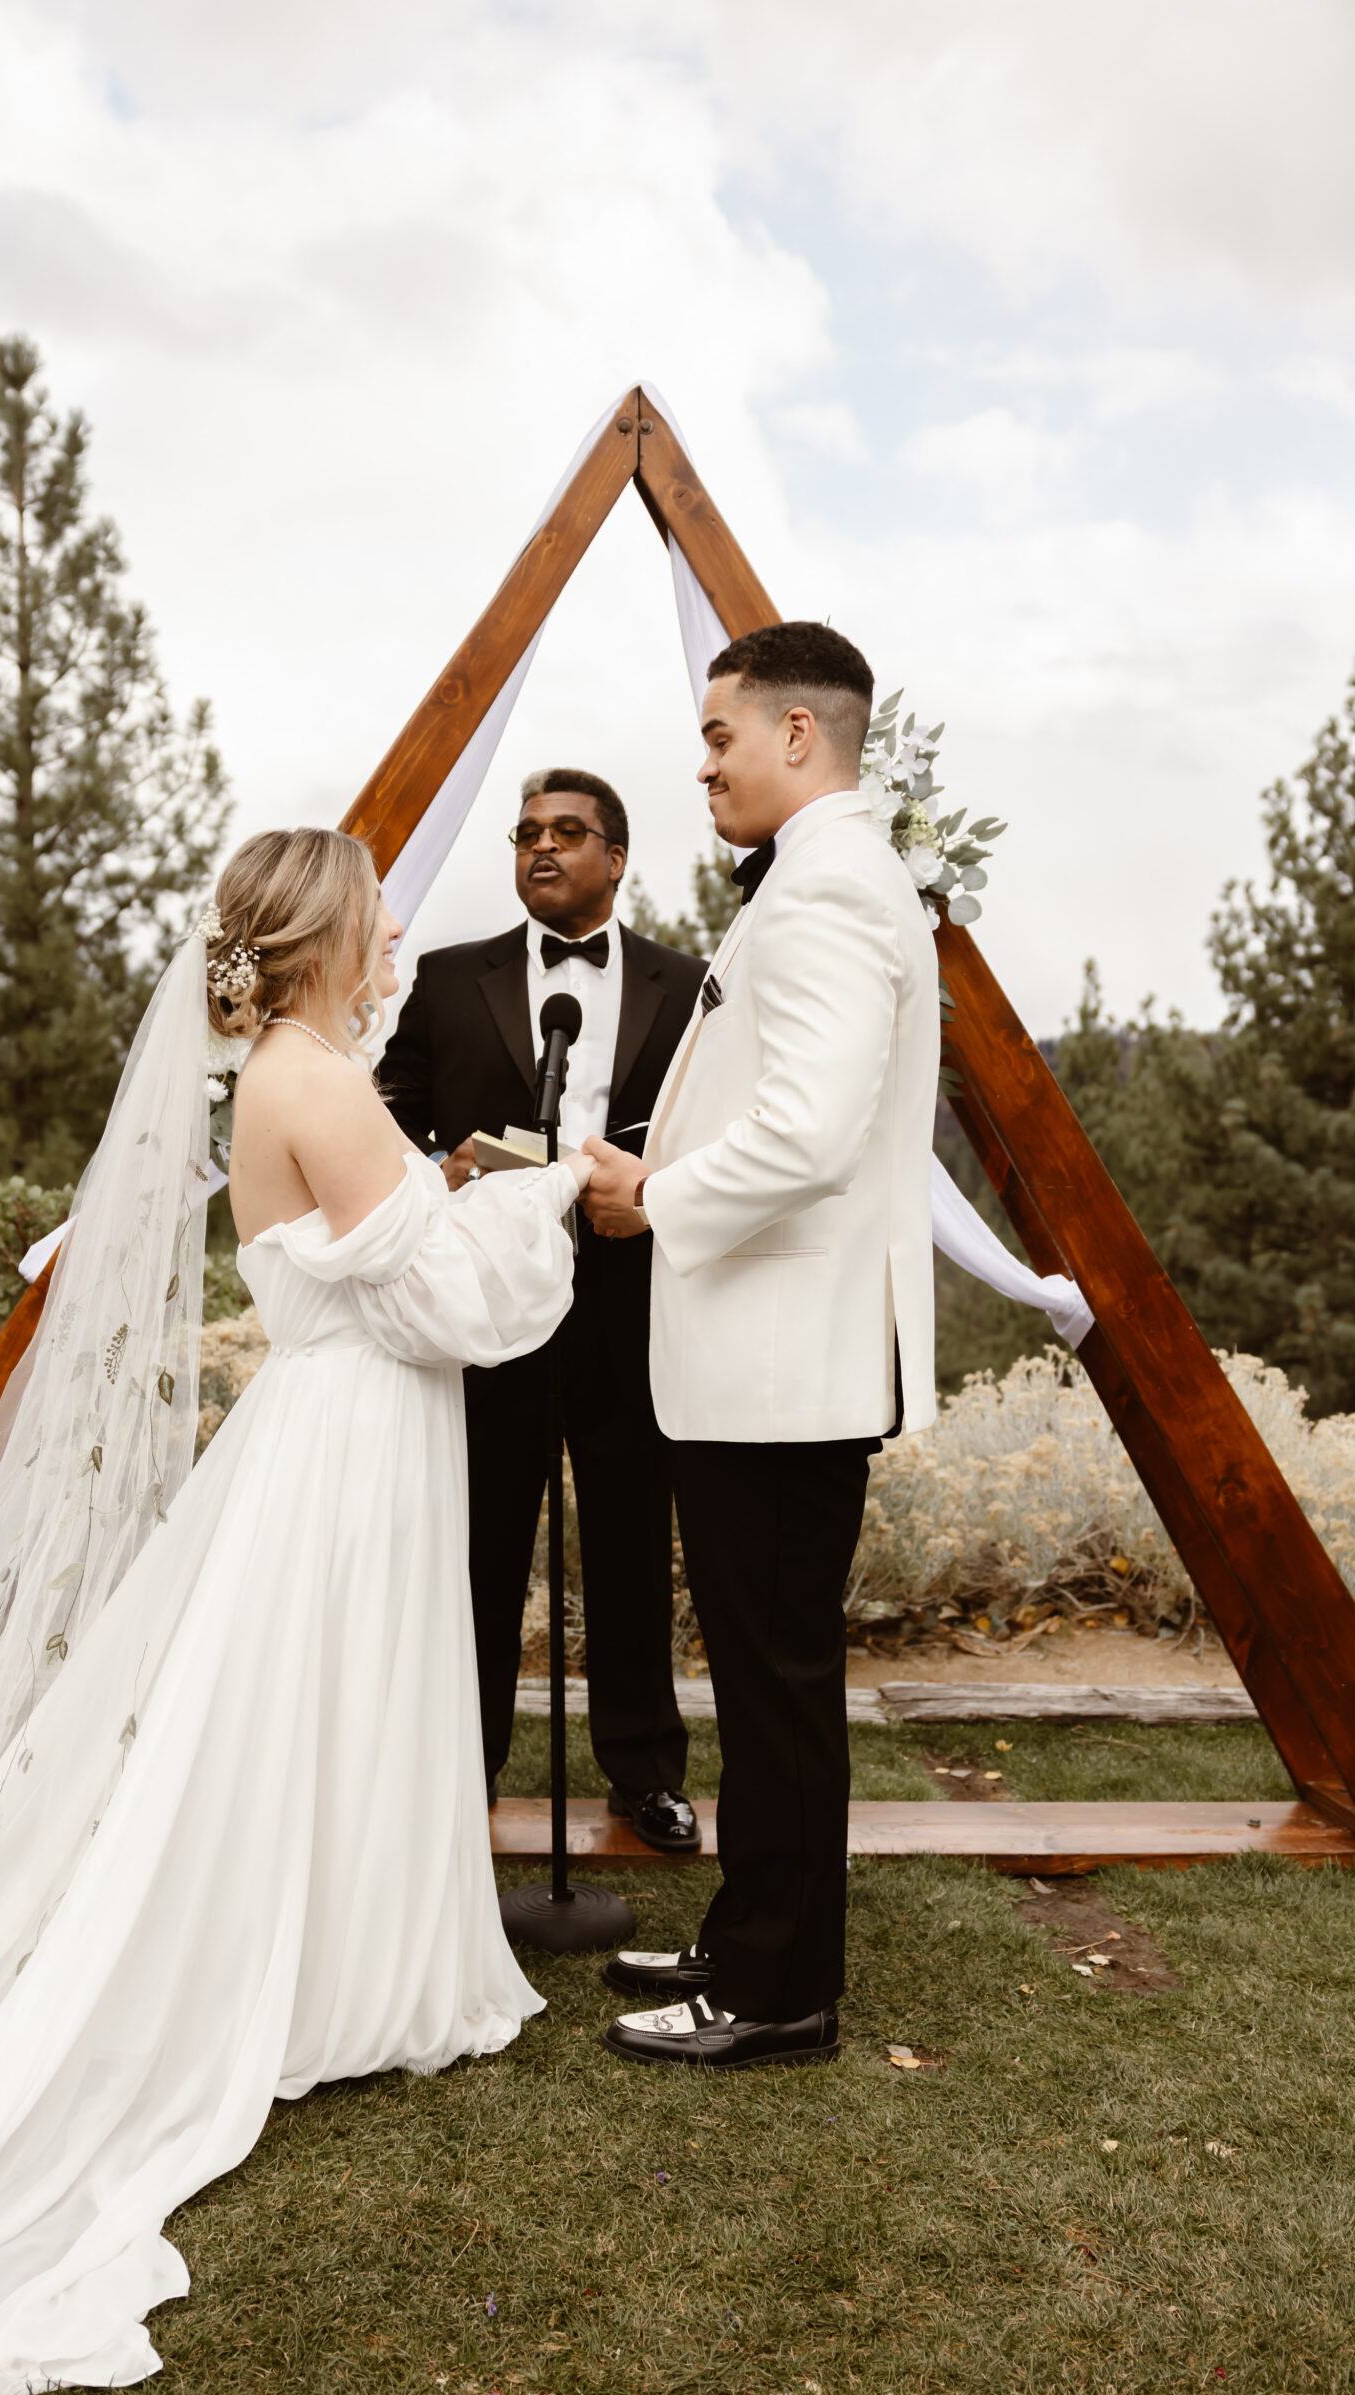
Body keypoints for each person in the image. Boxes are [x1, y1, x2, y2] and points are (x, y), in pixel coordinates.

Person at [0, 827, 590, 2395]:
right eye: (380, 915)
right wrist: (542, 1194)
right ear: (325, 935)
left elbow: (383, 1258)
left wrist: (454, 1195)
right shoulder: (314, 1079)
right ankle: (331, 1983)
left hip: (344, 1430)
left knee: (317, 1719)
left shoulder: (302, 1068)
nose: (399, 935)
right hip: (348, 1444)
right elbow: (452, 1304)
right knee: (325, 1709)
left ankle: (341, 1968)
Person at [581, 625, 939, 2070]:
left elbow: (807, 1130)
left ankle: (777, 1992)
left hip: (781, 1368)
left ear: (800, 735)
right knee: (755, 1675)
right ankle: (746, 1934)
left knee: (775, 1688)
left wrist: (648, 1193)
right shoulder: (824, 879)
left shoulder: (834, 891)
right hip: (765, 1363)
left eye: (720, 737)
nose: (704, 763)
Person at [381, 769, 707, 1847]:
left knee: (627, 1537)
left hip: (630, 1296)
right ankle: (455, 1765)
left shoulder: (689, 982)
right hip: (487, 1301)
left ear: (616, 858)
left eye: (568, 832)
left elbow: (715, 1126)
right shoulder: (445, 978)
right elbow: (388, 1120)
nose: (542, 848)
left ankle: (644, 1770)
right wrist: (453, 1164)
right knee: (477, 1541)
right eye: (525, 833)